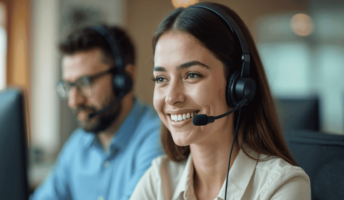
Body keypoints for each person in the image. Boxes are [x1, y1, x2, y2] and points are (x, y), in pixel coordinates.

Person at [130, 2, 310, 200]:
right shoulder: (160, 179)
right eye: (161, 79)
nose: (172, 97)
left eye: (191, 75)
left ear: (238, 86)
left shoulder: (281, 185)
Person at [31, 25, 163, 200]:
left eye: (85, 83)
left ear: (124, 79)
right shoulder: (77, 144)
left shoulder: (158, 139)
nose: (73, 101)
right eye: (69, 86)